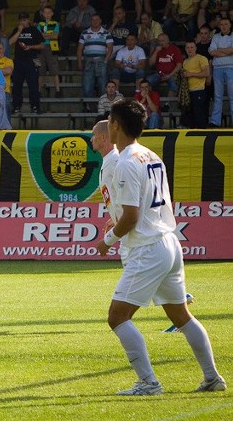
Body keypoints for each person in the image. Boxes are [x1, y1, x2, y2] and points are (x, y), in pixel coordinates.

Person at [95, 99, 226, 396]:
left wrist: (108, 240)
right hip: (169, 241)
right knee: (181, 316)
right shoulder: (150, 155)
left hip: (147, 247)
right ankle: (212, 377)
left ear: (116, 125)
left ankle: (148, 382)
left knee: (117, 317)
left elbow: (131, 217)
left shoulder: (127, 161)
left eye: (110, 121)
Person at [8, 12, 45, 114]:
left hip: (32, 60)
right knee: (16, 85)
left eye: (25, 20)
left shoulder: (34, 30)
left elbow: (42, 45)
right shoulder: (17, 30)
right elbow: (10, 43)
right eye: (21, 20)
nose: (23, 22)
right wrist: (19, 31)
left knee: (33, 85)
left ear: (28, 20)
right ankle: (16, 106)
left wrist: (31, 47)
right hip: (18, 61)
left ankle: (35, 106)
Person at [209, 16, 233, 128]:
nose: (223, 26)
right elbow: (212, 52)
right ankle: (215, 121)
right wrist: (228, 51)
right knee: (217, 96)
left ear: (230, 25)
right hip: (217, 68)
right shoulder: (216, 36)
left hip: (231, 68)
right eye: (221, 24)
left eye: (226, 24)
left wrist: (219, 50)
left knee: (232, 96)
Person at [180, 41, 209, 129]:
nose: (190, 49)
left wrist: (191, 74)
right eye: (188, 47)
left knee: (199, 113)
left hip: (198, 90)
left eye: (192, 47)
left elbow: (206, 73)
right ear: (185, 49)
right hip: (188, 92)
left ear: (196, 48)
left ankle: (202, 132)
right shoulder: (185, 61)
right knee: (191, 115)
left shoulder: (201, 58)